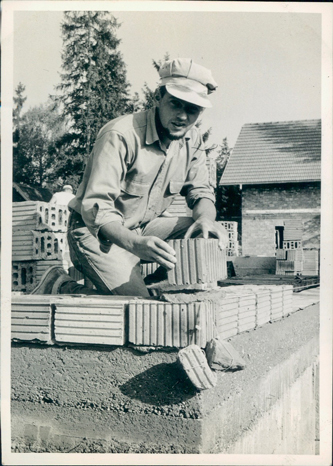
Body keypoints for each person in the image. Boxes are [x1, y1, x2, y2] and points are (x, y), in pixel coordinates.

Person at [32, 58, 228, 297]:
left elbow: (201, 193)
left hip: (142, 229)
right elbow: (99, 209)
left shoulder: (192, 140)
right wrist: (135, 244)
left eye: (192, 109)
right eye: (175, 104)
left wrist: (206, 219)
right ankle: (60, 285)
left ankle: (154, 286)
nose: (183, 117)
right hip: (95, 233)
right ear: (159, 97)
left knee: (202, 232)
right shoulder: (120, 135)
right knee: (139, 306)